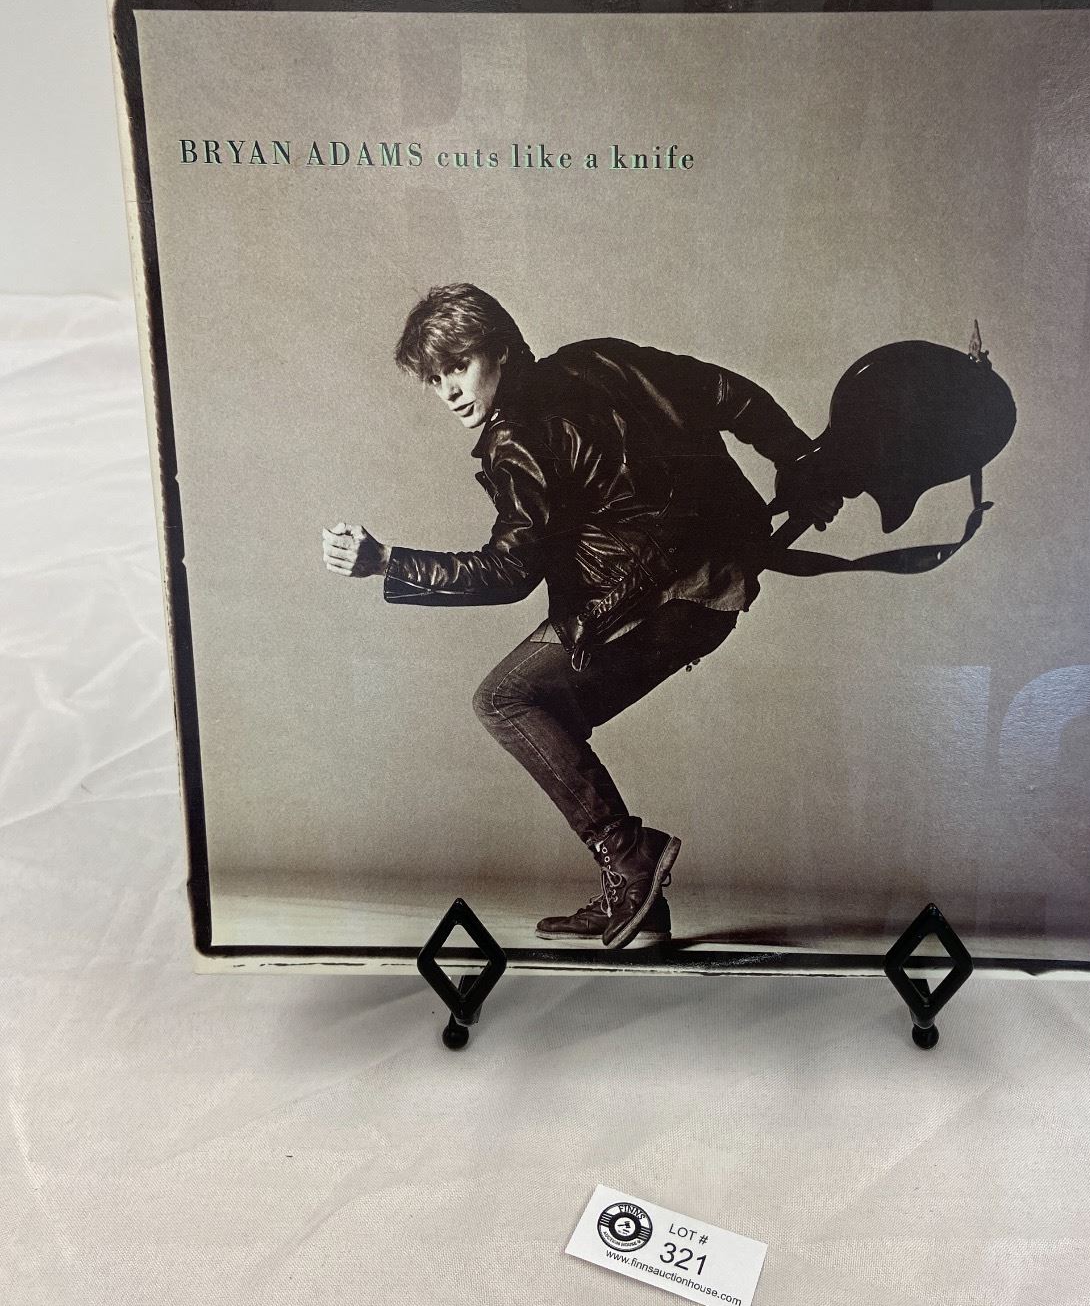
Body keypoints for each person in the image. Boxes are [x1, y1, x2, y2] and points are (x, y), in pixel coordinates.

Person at [322, 283, 839, 949]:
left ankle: (632, 859)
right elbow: (725, 392)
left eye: (459, 365)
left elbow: (509, 573)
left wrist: (387, 562)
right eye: (435, 377)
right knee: (550, 721)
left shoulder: (515, 439)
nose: (449, 390)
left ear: (501, 350)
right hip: (717, 583)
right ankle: (640, 900)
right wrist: (797, 456)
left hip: (652, 600)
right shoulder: (601, 357)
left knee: (506, 701)